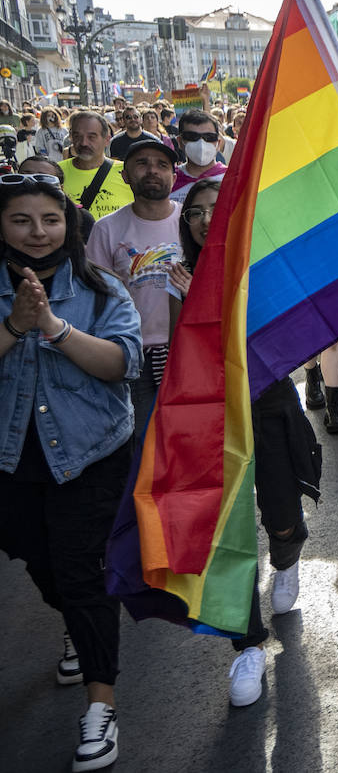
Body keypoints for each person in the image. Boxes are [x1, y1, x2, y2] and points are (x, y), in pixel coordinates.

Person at [0, 172, 142, 771]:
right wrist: (14, 326)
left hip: (90, 455)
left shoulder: (103, 289)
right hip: (13, 461)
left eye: (50, 220)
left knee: (83, 574)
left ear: (70, 226)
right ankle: (74, 629)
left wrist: (54, 328)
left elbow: (120, 365)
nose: (38, 233)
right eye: (22, 220)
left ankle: (100, 707)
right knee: (42, 564)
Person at [165, 177, 322, 708]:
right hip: (212, 419)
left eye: (216, 208)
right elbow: (179, 356)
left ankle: (287, 554)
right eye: (195, 213)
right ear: (185, 225)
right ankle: (248, 644)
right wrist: (193, 303)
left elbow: (276, 346)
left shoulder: (261, 269)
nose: (206, 218)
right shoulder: (177, 277)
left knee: (281, 512)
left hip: (269, 406)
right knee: (225, 534)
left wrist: (220, 305)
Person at [85, 137, 183, 430]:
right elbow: (97, 297)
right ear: (125, 175)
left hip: (185, 352)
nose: (152, 170)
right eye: (142, 164)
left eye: (162, 165)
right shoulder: (106, 229)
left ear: (174, 176)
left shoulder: (192, 221)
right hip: (133, 358)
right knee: (142, 445)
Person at [58, 111, 133, 219]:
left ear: (107, 140)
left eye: (91, 137)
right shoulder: (56, 173)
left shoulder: (128, 173)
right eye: (77, 136)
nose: (84, 142)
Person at [168, 109, 228, 204]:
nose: (201, 143)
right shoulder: (168, 181)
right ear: (179, 142)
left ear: (218, 143)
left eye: (209, 137)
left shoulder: (231, 179)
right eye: (192, 136)